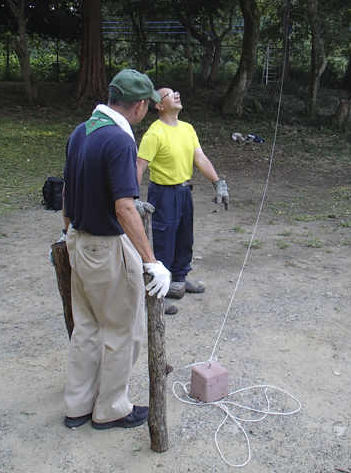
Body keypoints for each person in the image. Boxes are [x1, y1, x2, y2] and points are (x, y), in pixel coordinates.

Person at [62, 69, 171, 430]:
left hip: (77, 240)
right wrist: (151, 262)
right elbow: (125, 207)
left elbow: (65, 192)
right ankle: (111, 408)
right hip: (105, 246)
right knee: (123, 329)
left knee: (87, 327)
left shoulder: (81, 132)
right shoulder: (120, 141)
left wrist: (68, 235)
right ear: (140, 105)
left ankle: (78, 404)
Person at [137, 87, 229, 309]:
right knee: (164, 241)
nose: (177, 95)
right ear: (159, 106)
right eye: (170, 94)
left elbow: (201, 158)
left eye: (176, 92)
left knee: (184, 237)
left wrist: (218, 183)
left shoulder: (188, 129)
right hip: (163, 194)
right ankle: (159, 292)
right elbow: (139, 167)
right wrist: (132, 196)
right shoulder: (155, 133)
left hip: (184, 192)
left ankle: (179, 279)